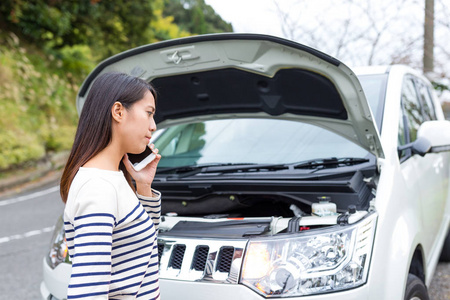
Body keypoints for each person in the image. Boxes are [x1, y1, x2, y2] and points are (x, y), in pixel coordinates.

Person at [59, 72, 162, 299]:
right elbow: (87, 292)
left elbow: (141, 246)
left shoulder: (114, 177)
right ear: (118, 112)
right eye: (149, 113)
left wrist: (144, 187)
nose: (153, 126)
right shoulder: (99, 187)